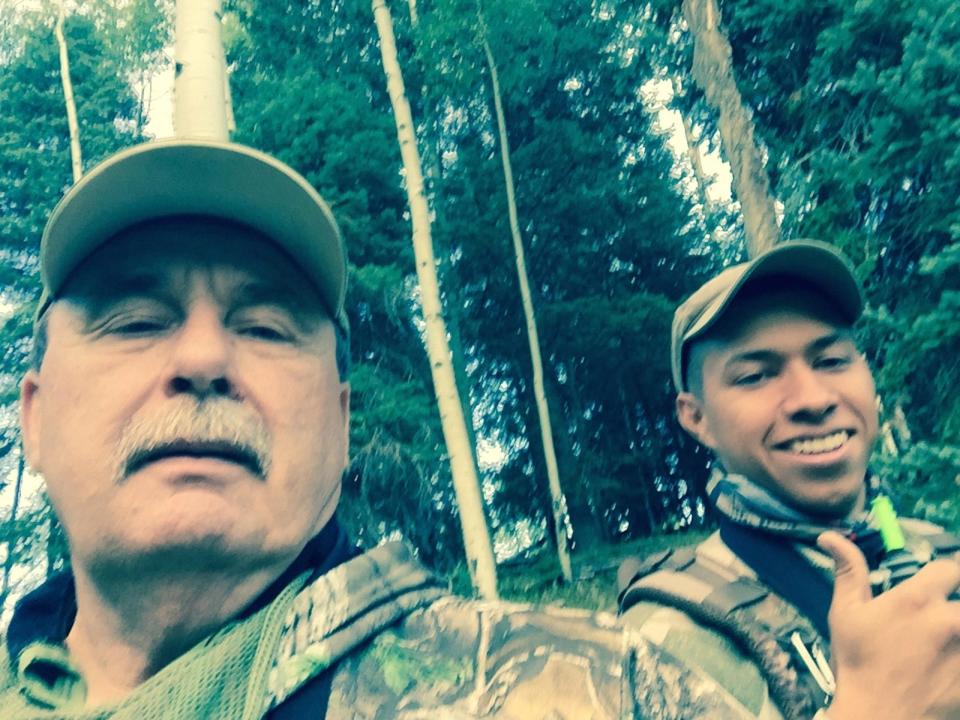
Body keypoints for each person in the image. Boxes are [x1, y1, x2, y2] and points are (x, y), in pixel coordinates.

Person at [0, 140, 955, 720]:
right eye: (133, 320)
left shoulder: (595, 688)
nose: (203, 357)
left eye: (264, 326)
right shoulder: (674, 626)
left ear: (340, 427)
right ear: (33, 419)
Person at [618, 240, 960, 720]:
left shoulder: (942, 552)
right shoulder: (661, 641)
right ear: (697, 419)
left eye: (831, 361)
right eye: (757, 375)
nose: (812, 399)